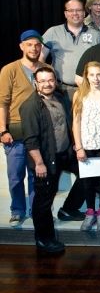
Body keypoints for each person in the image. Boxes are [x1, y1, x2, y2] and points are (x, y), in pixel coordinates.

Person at [21, 66, 84, 253]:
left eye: (50, 80)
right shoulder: (30, 106)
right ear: (35, 83)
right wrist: (39, 163)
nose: (47, 84)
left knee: (87, 175)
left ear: (55, 81)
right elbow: (30, 140)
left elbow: (68, 123)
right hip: (45, 160)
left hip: (65, 153)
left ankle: (68, 209)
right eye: (42, 81)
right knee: (44, 201)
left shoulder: (60, 97)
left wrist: (75, 144)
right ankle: (44, 239)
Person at [0, 30, 43, 226]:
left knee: (37, 175)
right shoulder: (9, 69)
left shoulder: (46, 69)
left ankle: (36, 210)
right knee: (16, 176)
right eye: (29, 44)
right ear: (21, 46)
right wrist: (3, 130)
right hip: (16, 131)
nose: (34, 48)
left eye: (37, 45)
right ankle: (17, 210)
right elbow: (2, 102)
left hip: (38, 131)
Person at [72, 61, 100, 231]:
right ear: (86, 76)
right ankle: (90, 212)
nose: (96, 78)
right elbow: (76, 122)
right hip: (85, 145)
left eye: (98, 74)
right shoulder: (79, 94)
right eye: (92, 75)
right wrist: (79, 147)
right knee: (87, 182)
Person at [40, 0, 100, 104]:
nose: (75, 13)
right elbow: (41, 58)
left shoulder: (96, 35)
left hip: (88, 89)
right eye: (71, 10)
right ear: (65, 14)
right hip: (59, 90)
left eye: (78, 10)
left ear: (84, 13)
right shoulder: (53, 32)